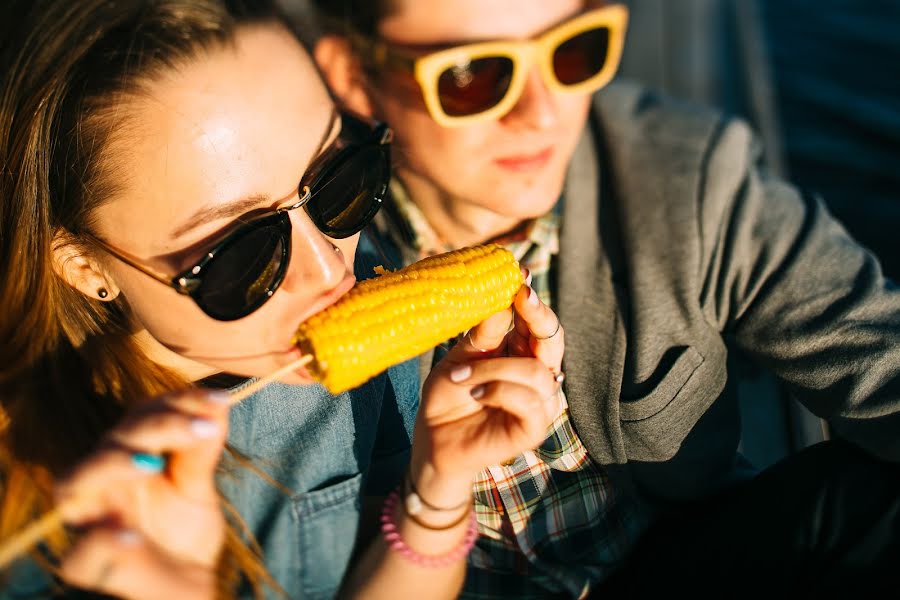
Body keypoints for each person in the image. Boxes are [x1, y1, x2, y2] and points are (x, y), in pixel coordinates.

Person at [310, 0, 900, 595]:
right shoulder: (288, 257)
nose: (541, 114)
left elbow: (880, 358)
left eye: (574, 49)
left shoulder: (682, 174)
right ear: (357, 75)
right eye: (472, 76)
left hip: (671, 561)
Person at [0, 1, 566, 598]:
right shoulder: (41, 495)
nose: (329, 269)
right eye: (240, 252)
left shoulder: (369, 325)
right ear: (84, 266)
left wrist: (438, 485)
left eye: (338, 181)